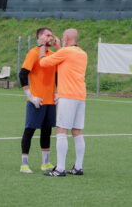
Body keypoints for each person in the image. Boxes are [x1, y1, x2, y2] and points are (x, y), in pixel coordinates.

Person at [39, 28, 88, 177]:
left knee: (61, 131)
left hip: (67, 96)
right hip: (80, 96)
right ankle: (78, 167)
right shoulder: (82, 53)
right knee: (77, 132)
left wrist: (42, 46)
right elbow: (65, 60)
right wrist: (59, 47)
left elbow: (43, 62)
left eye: (62, 37)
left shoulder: (65, 52)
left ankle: (60, 168)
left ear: (66, 38)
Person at [19, 27, 58, 174]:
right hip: (37, 100)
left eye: (51, 35)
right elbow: (23, 74)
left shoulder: (53, 55)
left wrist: (58, 93)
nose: (51, 37)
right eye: (48, 35)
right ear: (40, 37)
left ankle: (46, 163)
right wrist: (30, 96)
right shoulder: (33, 53)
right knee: (29, 130)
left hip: (50, 102)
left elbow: (57, 76)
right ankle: (24, 164)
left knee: (47, 132)